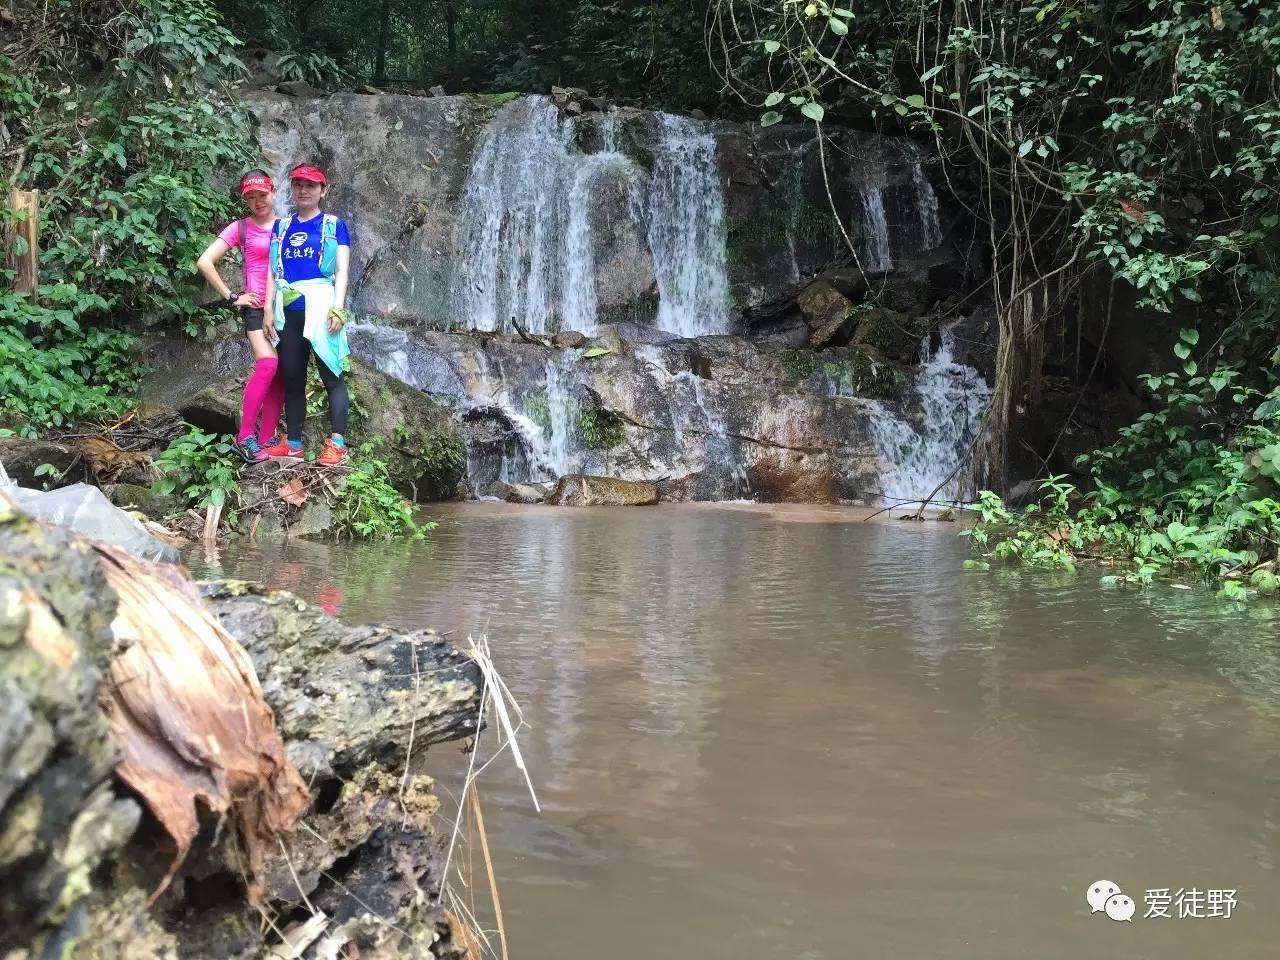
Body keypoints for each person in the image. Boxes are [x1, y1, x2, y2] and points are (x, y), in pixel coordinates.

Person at [261, 162, 352, 466]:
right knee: (292, 377)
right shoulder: (282, 226)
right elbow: (274, 272)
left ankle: (337, 443)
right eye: (298, 184)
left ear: (322, 191)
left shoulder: (333, 225)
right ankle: (294, 443)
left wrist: (338, 309)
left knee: (332, 375)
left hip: (322, 307)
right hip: (288, 310)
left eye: (311, 185)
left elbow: (341, 270)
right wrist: (267, 309)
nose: (303, 190)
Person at [196, 170, 285, 463]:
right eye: (251, 197)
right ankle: (244, 437)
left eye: (262, 194)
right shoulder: (240, 228)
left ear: (273, 192)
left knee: (282, 374)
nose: (257, 201)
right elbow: (205, 262)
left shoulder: (288, 227)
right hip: (256, 307)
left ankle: (267, 438)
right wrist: (233, 296)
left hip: (286, 307)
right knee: (268, 364)